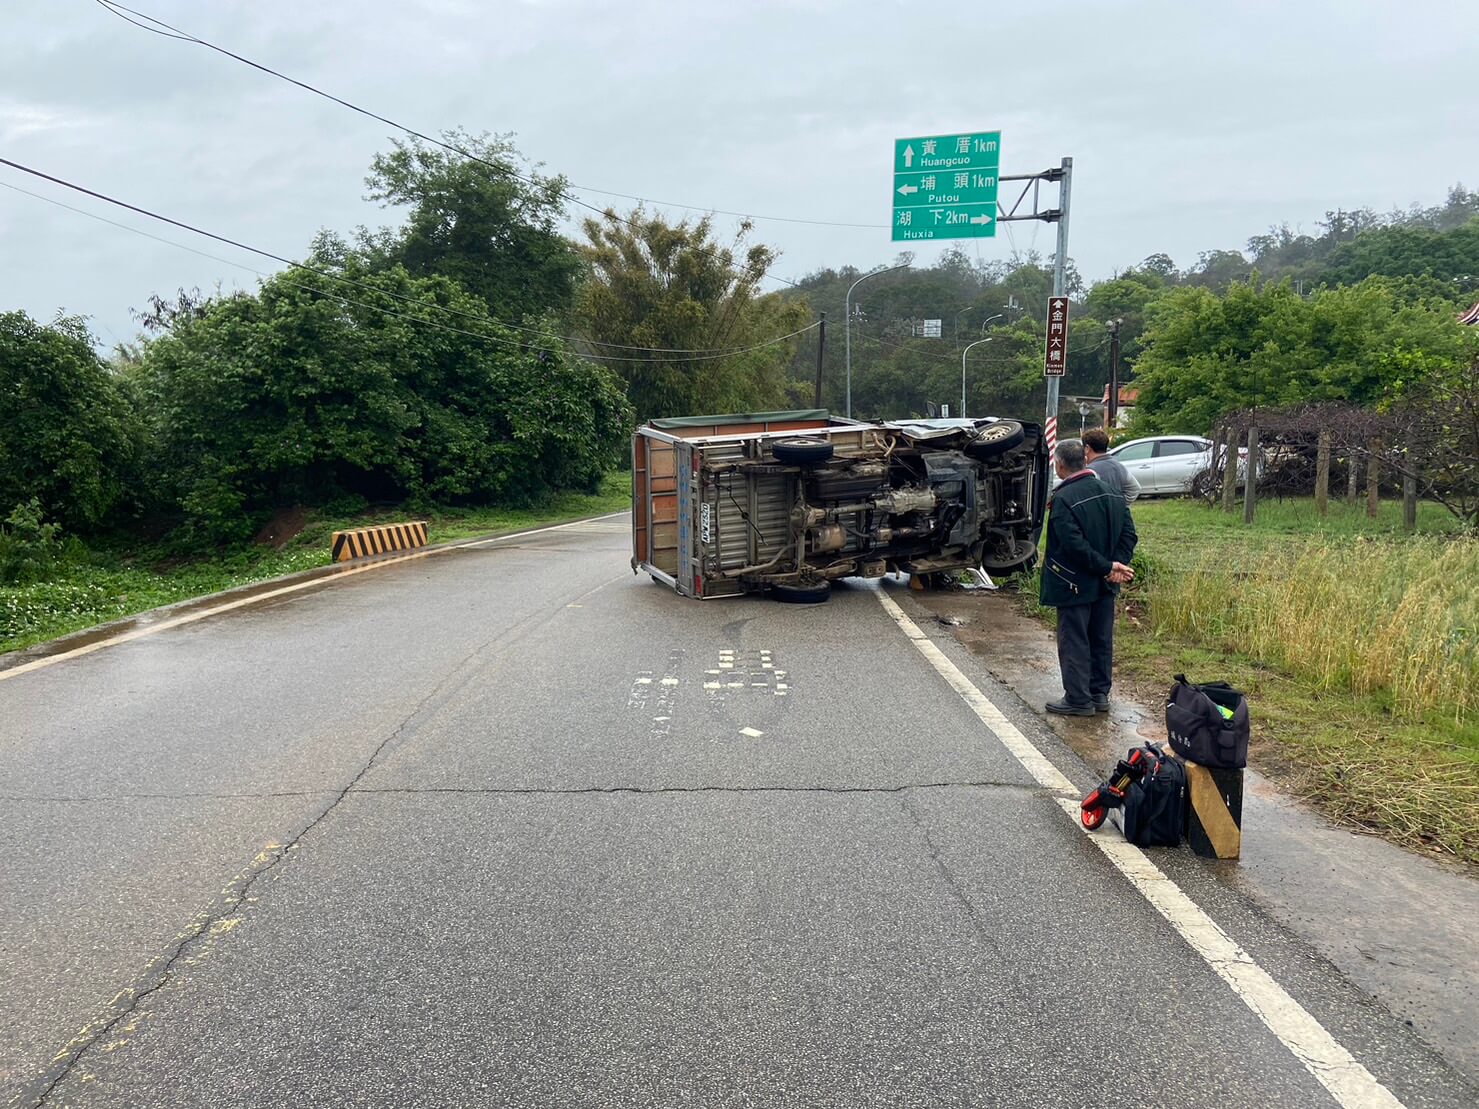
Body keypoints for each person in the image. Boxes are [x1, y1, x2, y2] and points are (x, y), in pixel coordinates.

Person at [1040, 439, 1138, 716]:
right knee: (1101, 638)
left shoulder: (1063, 498)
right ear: (1084, 461)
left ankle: (1078, 698)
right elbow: (1129, 534)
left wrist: (1107, 566)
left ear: (1059, 465)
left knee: (1074, 640)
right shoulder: (1113, 493)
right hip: (1105, 583)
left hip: (1074, 582)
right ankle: (1099, 694)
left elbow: (1073, 545)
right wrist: (1116, 566)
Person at [1082, 427, 1140, 504]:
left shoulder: (1089, 471)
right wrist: (1119, 504)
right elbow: (1135, 488)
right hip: (1116, 514)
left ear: (1087, 448)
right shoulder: (1119, 466)